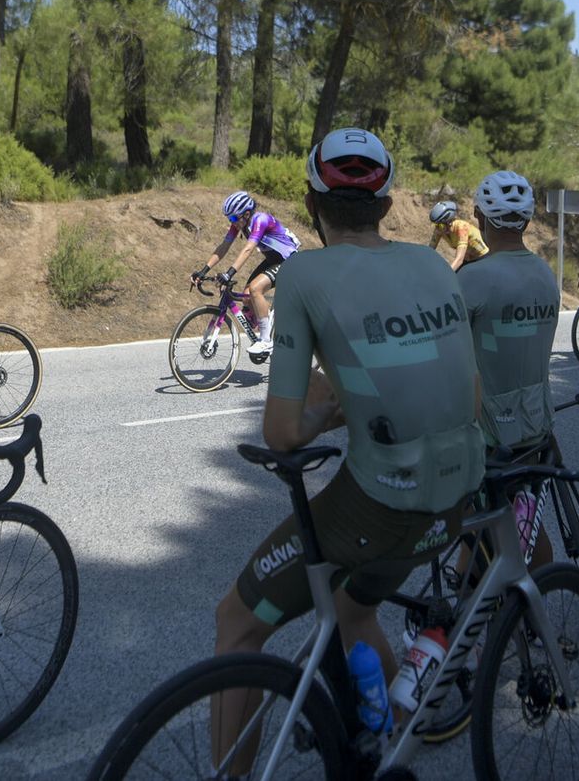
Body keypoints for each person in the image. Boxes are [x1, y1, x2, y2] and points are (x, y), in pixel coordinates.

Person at [212, 129, 485, 762]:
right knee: (351, 608)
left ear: (311, 202)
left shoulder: (304, 273)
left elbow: (280, 433)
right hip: (454, 505)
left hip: (381, 504)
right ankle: (377, 738)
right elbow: (466, 402)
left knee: (236, 623)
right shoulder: (431, 265)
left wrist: (328, 415)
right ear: (389, 205)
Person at [457, 170, 561, 566]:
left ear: (479, 217)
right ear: (529, 221)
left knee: (483, 531)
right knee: (520, 530)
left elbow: (450, 360)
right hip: (536, 425)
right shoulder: (545, 276)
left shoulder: (473, 278)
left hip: (488, 436)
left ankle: (485, 612)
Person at [191, 191, 301, 355]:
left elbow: (248, 249)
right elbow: (224, 247)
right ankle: (261, 320)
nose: (232, 222)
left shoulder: (260, 220)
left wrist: (229, 273)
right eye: (230, 219)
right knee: (247, 294)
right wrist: (203, 270)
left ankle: (265, 341)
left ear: (246, 214)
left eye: (234, 218)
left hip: (288, 260)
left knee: (256, 289)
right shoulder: (240, 224)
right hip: (273, 260)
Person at [428, 199, 489, 271]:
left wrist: (447, 274)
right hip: (468, 259)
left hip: (483, 257)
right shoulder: (439, 230)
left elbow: (459, 259)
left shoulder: (461, 227)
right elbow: (429, 250)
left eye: (440, 225)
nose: (437, 228)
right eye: (435, 225)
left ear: (448, 222)